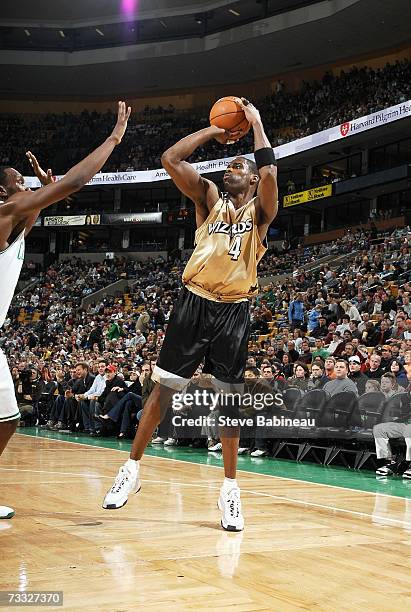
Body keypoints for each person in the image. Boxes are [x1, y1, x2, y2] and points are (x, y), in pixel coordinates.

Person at [103, 98, 278, 532]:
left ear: (253, 180)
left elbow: (271, 171)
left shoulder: (261, 212)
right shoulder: (210, 199)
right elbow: (171, 158)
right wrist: (215, 132)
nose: (231, 168)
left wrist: (254, 123)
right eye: (231, 163)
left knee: (228, 401)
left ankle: (230, 492)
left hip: (234, 311)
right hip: (194, 302)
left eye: (239, 165)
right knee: (162, 393)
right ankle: (131, 471)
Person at [0, 101, 130, 519]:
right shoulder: (3, 213)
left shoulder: (15, 217)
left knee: (8, 418)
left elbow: (34, 212)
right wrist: (114, 137)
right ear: (4, 191)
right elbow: (74, 182)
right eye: (19, 180)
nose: (26, 184)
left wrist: (41, 190)